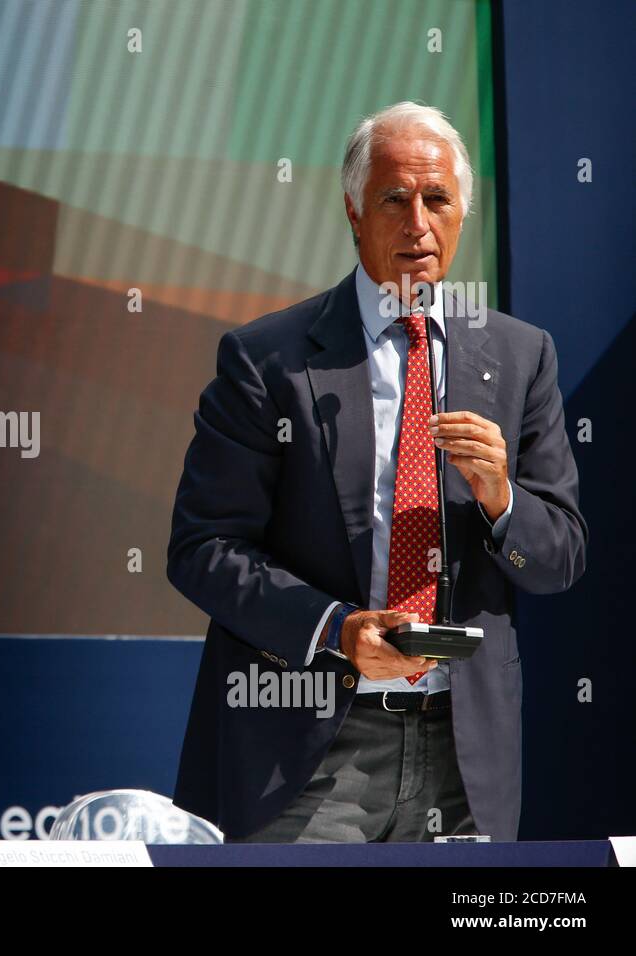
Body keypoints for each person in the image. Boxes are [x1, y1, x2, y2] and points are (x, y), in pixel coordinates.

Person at [168, 102, 586, 842]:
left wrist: (501, 499)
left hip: (466, 757)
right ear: (354, 212)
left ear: (462, 215)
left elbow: (558, 560)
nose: (418, 223)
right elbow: (203, 550)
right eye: (395, 199)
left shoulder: (522, 358)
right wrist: (336, 629)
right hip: (312, 748)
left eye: (437, 200)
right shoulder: (269, 360)